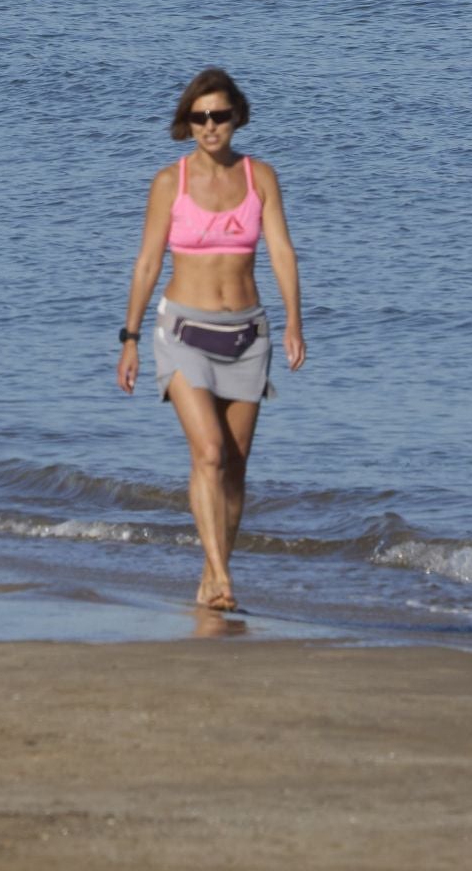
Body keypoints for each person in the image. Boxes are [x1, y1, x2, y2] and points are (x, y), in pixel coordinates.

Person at [116, 68, 305, 612]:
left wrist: (294, 321)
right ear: (187, 122)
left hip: (247, 334)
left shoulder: (259, 177)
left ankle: (210, 576)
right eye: (199, 117)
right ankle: (222, 577)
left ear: (237, 116)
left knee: (235, 467)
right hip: (183, 332)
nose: (210, 126)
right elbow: (147, 262)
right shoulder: (169, 183)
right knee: (209, 452)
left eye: (219, 115)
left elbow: (282, 252)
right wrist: (129, 337)